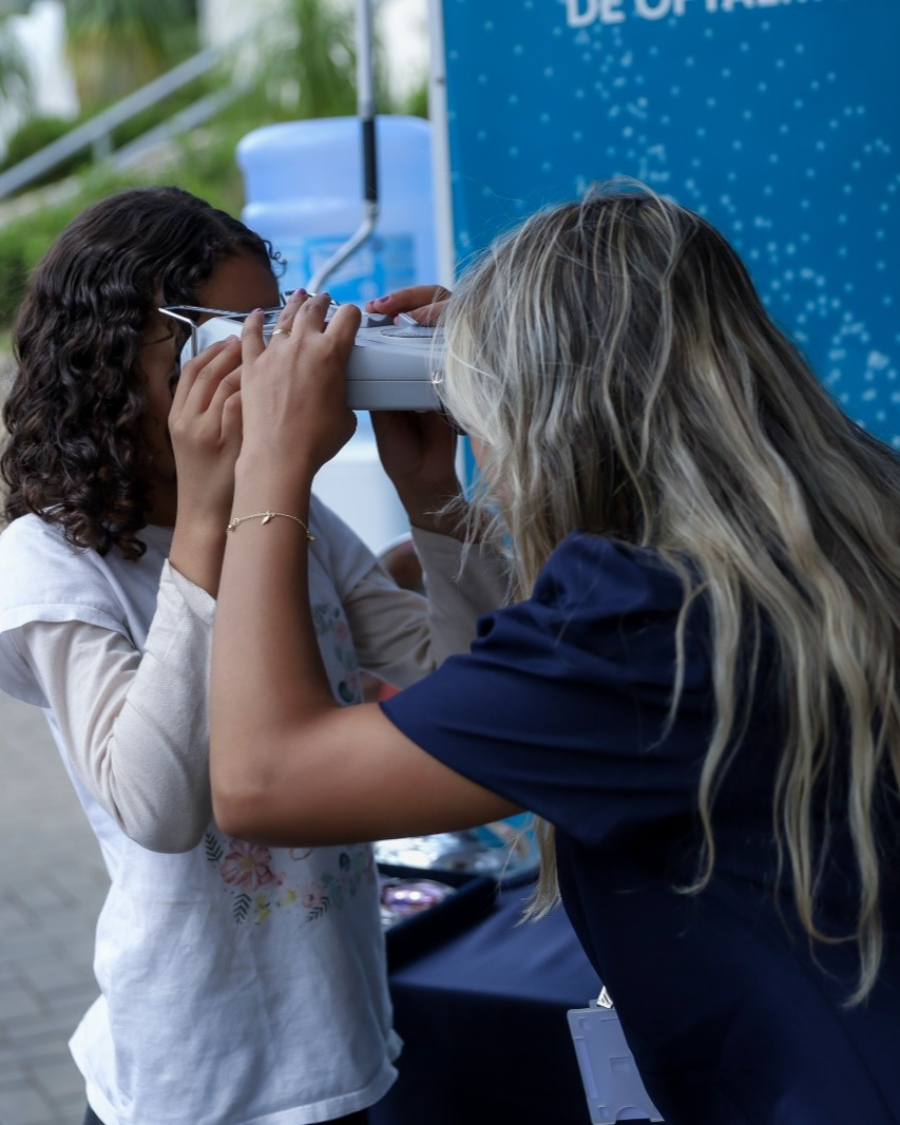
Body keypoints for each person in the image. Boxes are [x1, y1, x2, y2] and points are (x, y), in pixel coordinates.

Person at [200, 182, 900, 1124]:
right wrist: (435, 495)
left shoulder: (645, 619)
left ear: (557, 406)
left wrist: (266, 467)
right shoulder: (854, 516)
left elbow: (262, 779)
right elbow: (523, 703)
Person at [0, 186, 507, 1125]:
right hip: (192, 1079)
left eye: (275, 325)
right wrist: (211, 516)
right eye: (229, 333)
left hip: (343, 1042)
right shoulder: (50, 560)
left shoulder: (297, 525)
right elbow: (156, 804)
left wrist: (433, 495)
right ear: (113, 356)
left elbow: (475, 690)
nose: (269, 361)